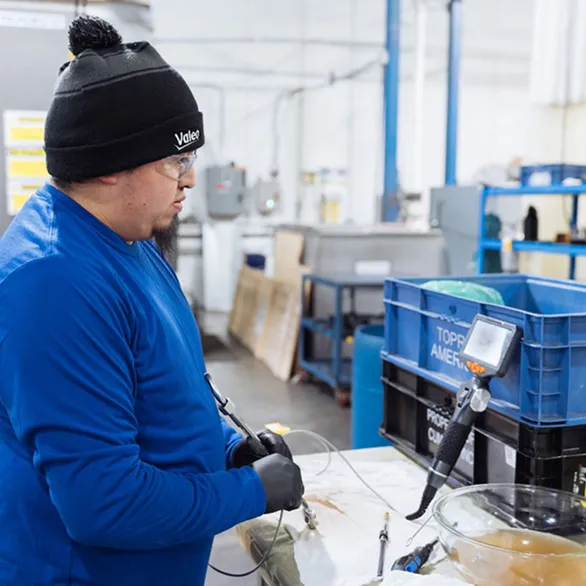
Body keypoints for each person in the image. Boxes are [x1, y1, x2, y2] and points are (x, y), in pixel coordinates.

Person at [0, 15, 304, 586]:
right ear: (112, 169)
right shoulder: (52, 284)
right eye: (177, 162)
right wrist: (250, 490)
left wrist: (231, 448)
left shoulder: (128, 243)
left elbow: (164, 393)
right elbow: (103, 504)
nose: (190, 180)